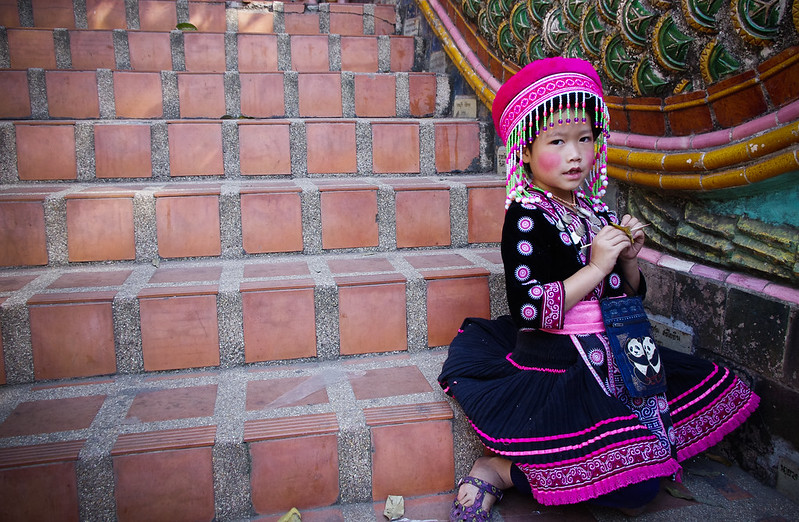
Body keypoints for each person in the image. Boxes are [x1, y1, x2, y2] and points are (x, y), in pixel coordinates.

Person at [438, 57, 760, 521]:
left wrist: (627, 263)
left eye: (585, 139)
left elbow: (625, 297)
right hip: (559, 360)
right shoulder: (527, 217)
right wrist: (596, 264)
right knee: (636, 489)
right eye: (557, 141)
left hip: (622, 351)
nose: (575, 154)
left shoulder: (595, 211)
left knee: (720, 391)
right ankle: (501, 470)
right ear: (525, 152)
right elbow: (530, 310)